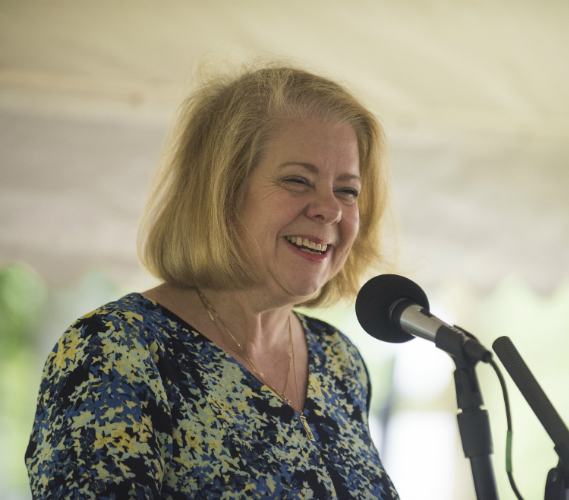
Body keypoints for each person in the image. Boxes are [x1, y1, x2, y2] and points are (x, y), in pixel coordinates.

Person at [25, 64, 399, 499]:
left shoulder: (338, 361)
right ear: (221, 191)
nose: (330, 209)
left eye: (347, 190)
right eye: (297, 180)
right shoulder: (115, 349)